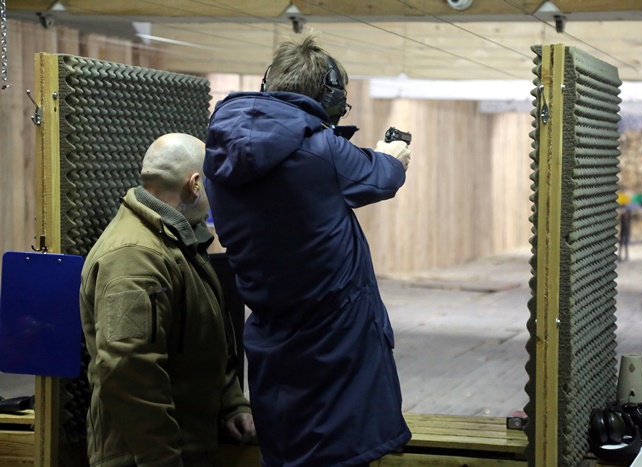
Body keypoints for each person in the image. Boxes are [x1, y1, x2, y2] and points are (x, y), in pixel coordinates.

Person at [204, 32, 412, 467]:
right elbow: (382, 177)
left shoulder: (219, 154)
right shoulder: (322, 151)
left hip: (272, 343)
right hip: (333, 352)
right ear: (329, 97)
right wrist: (393, 153)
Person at [80, 133, 255, 467]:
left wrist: (231, 403)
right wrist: (161, 458)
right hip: (146, 457)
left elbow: (206, 340)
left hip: (184, 447)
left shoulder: (175, 239)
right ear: (195, 184)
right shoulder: (134, 257)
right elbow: (129, 372)